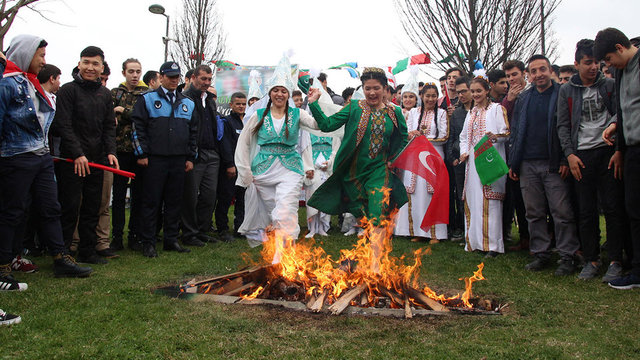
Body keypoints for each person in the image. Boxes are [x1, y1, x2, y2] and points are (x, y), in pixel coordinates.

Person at [0, 35, 92, 287]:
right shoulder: (7, 84)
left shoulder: (32, 84)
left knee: (51, 208)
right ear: (25, 54)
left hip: (41, 157)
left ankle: (60, 258)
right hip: (15, 158)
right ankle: (3, 265)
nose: (43, 61)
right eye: (40, 55)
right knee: (13, 212)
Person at [306, 67, 409, 272]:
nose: (372, 92)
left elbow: (403, 139)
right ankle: (368, 256)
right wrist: (313, 104)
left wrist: (394, 159)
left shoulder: (395, 112)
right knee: (366, 216)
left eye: (376, 88)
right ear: (363, 88)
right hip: (353, 173)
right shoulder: (354, 108)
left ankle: (376, 265)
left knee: (378, 212)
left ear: (385, 89)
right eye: (367, 88)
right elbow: (326, 125)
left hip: (380, 171)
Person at [557, 38, 626, 282]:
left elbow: (621, 114)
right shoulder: (566, 90)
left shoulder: (609, 85)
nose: (593, 67)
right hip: (581, 156)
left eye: (596, 62)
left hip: (607, 152)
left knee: (612, 207)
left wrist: (618, 149)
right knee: (585, 211)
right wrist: (570, 155)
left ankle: (616, 260)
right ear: (577, 64)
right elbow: (563, 126)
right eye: (588, 63)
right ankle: (591, 259)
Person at [235, 53, 316, 258]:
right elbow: (243, 143)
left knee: (285, 212)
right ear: (270, 94)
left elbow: (318, 126)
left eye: (283, 91)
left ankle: (279, 261)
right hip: (263, 171)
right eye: (276, 91)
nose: (279, 94)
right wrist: (244, 172)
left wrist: (313, 103)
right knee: (276, 215)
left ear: (288, 94)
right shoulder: (259, 115)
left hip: (290, 169)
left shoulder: (298, 114)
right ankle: (287, 255)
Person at [509, 54, 580, 276]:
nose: (539, 74)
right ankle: (540, 253)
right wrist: (515, 162)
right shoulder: (524, 98)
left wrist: (563, 158)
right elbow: (517, 131)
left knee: (561, 211)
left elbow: (568, 128)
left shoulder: (562, 93)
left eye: (542, 69)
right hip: (528, 163)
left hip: (554, 163)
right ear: (528, 75)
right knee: (534, 212)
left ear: (550, 71)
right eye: (534, 71)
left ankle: (568, 255)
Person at [52, 46, 119, 264]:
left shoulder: (104, 94)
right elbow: (64, 124)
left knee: (93, 207)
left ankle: (87, 251)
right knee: (69, 207)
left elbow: (109, 126)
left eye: (95, 63)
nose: (90, 67)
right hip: (72, 160)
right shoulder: (68, 90)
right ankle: (62, 253)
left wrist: (110, 151)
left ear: (102, 67)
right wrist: (78, 153)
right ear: (79, 64)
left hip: (97, 160)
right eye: (86, 62)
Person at [132, 61, 197, 258]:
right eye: (169, 77)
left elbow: (194, 133)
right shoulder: (147, 99)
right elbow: (138, 128)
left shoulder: (188, 103)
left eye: (176, 77)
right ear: (160, 77)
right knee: (151, 201)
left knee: (174, 201)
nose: (173, 80)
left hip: (178, 160)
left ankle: (171, 239)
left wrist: (190, 157)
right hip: (154, 160)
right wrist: (141, 154)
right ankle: (148, 242)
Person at [595, 27, 640, 289]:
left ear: (620, 49)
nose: (608, 67)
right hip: (631, 149)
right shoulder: (622, 72)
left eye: (609, 60)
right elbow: (623, 111)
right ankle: (637, 269)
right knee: (633, 209)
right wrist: (620, 147)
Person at [459, 75, 510, 257]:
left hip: (491, 159)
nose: (475, 94)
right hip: (472, 162)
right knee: (474, 200)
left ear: (487, 90)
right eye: (473, 91)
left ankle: (493, 246)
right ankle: (474, 242)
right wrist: (464, 152)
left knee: (490, 201)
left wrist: (495, 136)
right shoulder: (471, 113)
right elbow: (464, 137)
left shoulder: (497, 109)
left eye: (479, 91)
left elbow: (507, 133)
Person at [181, 64, 230, 246]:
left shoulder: (209, 99)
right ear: (193, 77)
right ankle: (189, 233)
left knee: (209, 196)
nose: (206, 83)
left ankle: (202, 230)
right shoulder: (185, 98)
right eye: (203, 79)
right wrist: (189, 154)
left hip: (212, 153)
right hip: (195, 153)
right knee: (191, 196)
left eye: (209, 79)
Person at [394, 83, 448, 243]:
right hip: (415, 157)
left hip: (434, 156)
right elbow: (407, 133)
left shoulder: (442, 114)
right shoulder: (413, 113)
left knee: (432, 193)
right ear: (422, 97)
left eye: (433, 96)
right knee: (415, 194)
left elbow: (444, 136)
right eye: (427, 96)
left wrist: (423, 139)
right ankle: (417, 231)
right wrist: (413, 135)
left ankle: (434, 233)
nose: (430, 99)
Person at [109, 58, 148, 251]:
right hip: (118, 152)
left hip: (139, 152)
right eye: (131, 71)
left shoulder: (147, 94)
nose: (134, 75)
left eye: (138, 71)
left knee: (138, 197)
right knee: (117, 197)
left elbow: (143, 117)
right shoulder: (115, 93)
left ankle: (134, 236)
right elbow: (107, 116)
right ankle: (116, 236)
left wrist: (123, 111)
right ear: (124, 72)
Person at [215, 92, 247, 242]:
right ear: (231, 105)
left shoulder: (248, 121)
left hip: (245, 168)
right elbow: (225, 144)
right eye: (238, 104)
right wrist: (229, 164)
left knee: (243, 199)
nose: (241, 106)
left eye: (243, 104)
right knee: (225, 198)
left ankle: (240, 227)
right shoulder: (226, 121)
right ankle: (222, 229)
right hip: (230, 168)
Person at [446, 77, 474, 242]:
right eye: (458, 92)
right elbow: (452, 137)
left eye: (464, 91)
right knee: (460, 197)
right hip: (459, 161)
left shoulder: (481, 110)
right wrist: (452, 158)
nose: (461, 95)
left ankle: (475, 230)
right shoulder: (456, 113)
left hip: (477, 160)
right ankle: (463, 230)